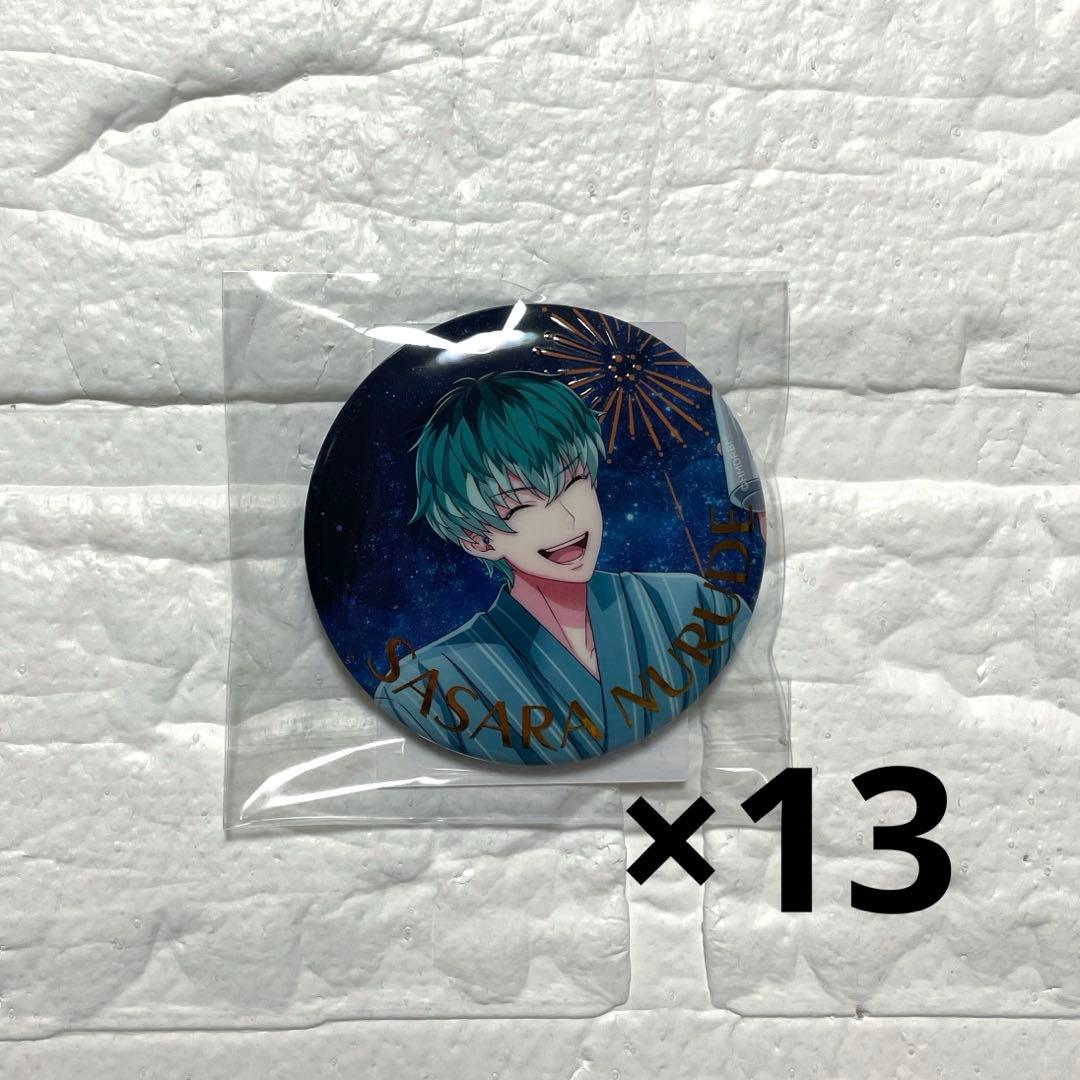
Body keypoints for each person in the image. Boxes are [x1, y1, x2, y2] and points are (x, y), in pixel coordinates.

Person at [372, 370, 751, 765]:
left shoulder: (691, 605)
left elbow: (745, 718)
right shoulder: (427, 688)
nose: (567, 520)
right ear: (478, 541)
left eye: (573, 481)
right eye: (521, 505)